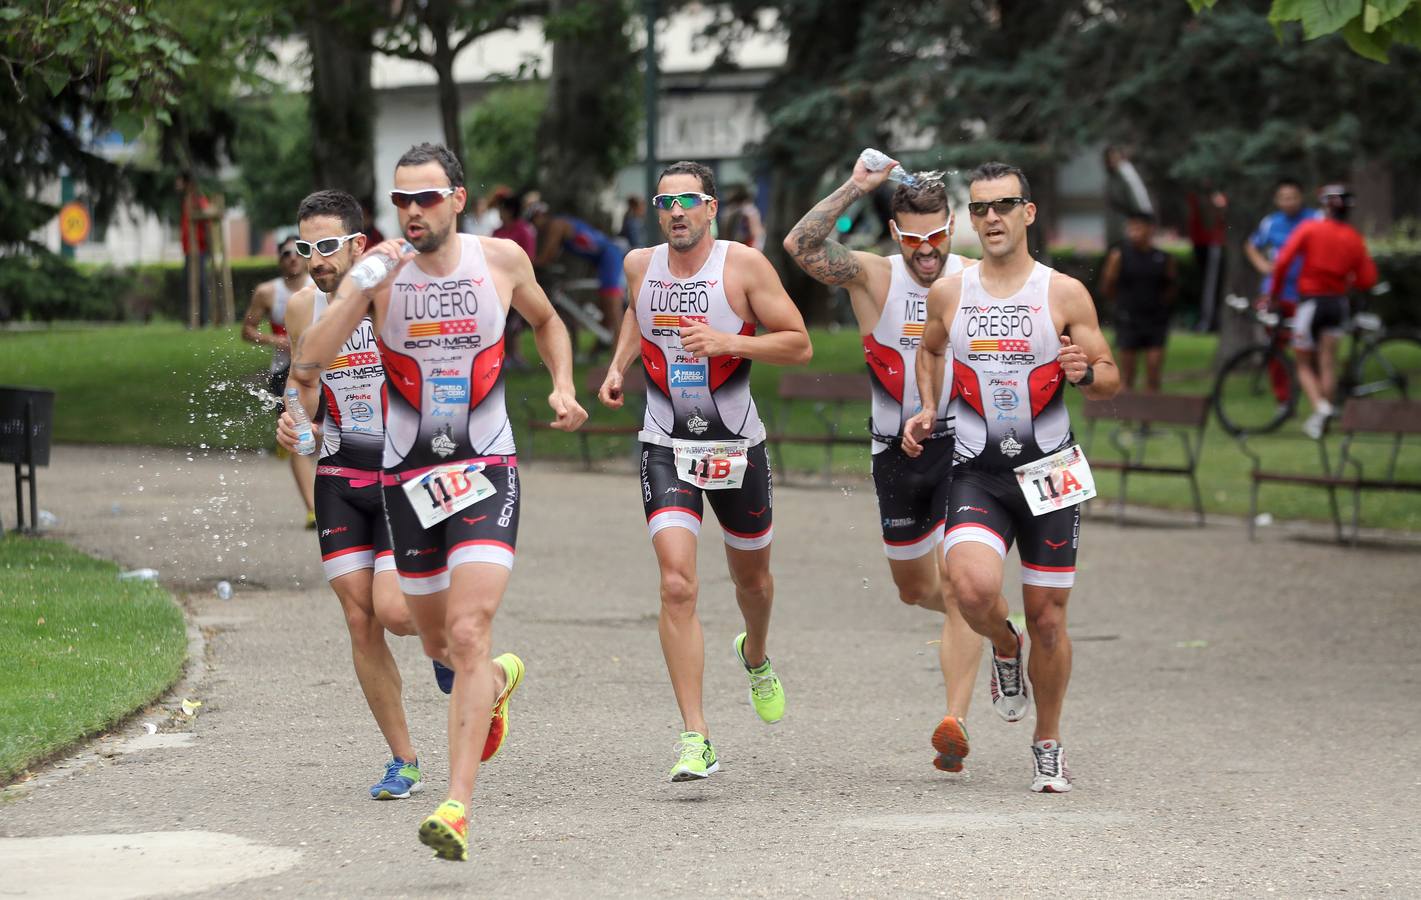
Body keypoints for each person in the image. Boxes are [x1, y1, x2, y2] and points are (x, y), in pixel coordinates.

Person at [291, 142, 587, 861]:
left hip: (486, 464)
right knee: (428, 639)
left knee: (467, 628)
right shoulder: (379, 277)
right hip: (408, 475)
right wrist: (358, 282)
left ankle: (456, 806)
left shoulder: (501, 263)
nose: (413, 211)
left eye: (426, 197)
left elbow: (547, 322)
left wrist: (562, 386)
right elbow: (309, 361)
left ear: (458, 198)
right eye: (401, 200)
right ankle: (498, 682)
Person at [903, 161, 1121, 794]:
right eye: (980, 208)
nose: (992, 218)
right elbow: (931, 348)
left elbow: (1109, 376)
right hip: (977, 468)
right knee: (969, 590)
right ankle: (1004, 647)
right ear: (970, 220)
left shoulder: (1064, 294)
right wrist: (926, 407)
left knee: (1049, 620)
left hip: (1050, 467)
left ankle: (1047, 743)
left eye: (1004, 205)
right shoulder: (951, 291)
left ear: (1029, 213)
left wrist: (1084, 373)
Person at [597, 160, 812, 783]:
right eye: (666, 203)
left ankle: (756, 654)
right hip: (665, 441)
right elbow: (640, 313)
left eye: (689, 201)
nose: (677, 212)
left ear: (711, 207)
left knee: (754, 582)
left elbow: (797, 341)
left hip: (737, 444)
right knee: (677, 584)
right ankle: (697, 737)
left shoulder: (742, 266)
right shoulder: (641, 265)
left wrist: (732, 344)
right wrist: (619, 366)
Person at [782, 152, 986, 774]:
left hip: (963, 444)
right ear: (898, 234)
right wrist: (856, 185)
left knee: (958, 586)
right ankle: (996, 627)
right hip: (895, 452)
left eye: (938, 235)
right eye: (914, 238)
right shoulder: (874, 277)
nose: (928, 251)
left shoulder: (978, 278)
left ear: (951, 227)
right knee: (915, 590)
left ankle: (955, 723)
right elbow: (799, 244)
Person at [274, 189, 425, 801]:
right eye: (307, 247)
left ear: (359, 245)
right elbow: (299, 384)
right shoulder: (303, 308)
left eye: (329, 246)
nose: (317, 259)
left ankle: (450, 649)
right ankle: (404, 760)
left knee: (394, 610)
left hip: (401, 475)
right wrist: (294, 421)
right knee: (360, 619)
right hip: (339, 476)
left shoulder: (399, 298)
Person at [1269, 184, 1379, 439]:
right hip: (1338, 303)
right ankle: (1322, 422)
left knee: (1303, 363)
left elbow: (1283, 261)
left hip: (1311, 303)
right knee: (1327, 362)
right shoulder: (1353, 237)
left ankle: (1320, 409)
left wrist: (1273, 294)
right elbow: (1367, 278)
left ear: (1325, 206)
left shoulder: (1310, 228)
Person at [243, 234, 316, 527]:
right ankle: (313, 509)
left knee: (323, 435)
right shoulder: (267, 292)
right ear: (279, 259)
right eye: (286, 254)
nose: (293, 258)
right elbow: (246, 330)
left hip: (323, 372)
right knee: (300, 438)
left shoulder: (323, 287)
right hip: (285, 375)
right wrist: (275, 339)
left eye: (299, 252)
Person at [1245, 179, 1321, 409]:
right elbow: (1251, 245)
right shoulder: (1270, 223)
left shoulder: (1315, 219)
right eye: (1284, 197)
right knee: (1275, 346)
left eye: (1293, 197)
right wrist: (1263, 266)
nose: (1289, 202)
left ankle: (1318, 397)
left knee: (1310, 346)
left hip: (1306, 293)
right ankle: (1283, 399)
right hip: (1277, 294)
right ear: (1277, 200)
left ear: (1302, 197)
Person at [1099, 212, 1177, 393]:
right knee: (1127, 375)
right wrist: (1122, 304)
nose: (1133, 233)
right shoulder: (1119, 256)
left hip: (1155, 320)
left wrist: (1161, 306)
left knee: (1154, 371)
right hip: (1129, 319)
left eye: (1138, 228)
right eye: (1130, 228)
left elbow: (1171, 287)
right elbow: (1107, 286)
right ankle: (1125, 418)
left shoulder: (1163, 258)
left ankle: (1149, 418)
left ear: (1150, 230)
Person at [530, 204, 627, 347]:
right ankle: (599, 349)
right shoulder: (562, 222)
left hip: (609, 255)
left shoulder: (555, 225)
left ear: (539, 217)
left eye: (533, 222)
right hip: (600, 258)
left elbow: (547, 255)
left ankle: (619, 352)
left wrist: (528, 264)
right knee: (604, 305)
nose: (535, 228)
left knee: (612, 305)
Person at [493, 194, 537, 368]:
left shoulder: (523, 230)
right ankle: (504, 356)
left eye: (502, 209)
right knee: (501, 320)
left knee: (514, 322)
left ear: (510, 211)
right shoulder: (497, 232)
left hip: (518, 282)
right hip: (498, 282)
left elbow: (529, 257)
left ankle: (515, 355)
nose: (499, 213)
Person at [176, 172, 215, 325]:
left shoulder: (197, 199)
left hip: (198, 248)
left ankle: (203, 320)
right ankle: (192, 319)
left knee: (199, 284)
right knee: (189, 284)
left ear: (187, 183)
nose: (177, 185)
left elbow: (207, 214)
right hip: (189, 249)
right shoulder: (187, 200)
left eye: (179, 181)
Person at [1102, 146, 1152, 250]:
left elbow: (1139, 204)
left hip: (1127, 230)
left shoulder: (1127, 175)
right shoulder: (1111, 177)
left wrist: (1139, 225)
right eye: (1109, 158)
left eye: (1114, 157)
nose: (1112, 161)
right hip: (1115, 231)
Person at [723, 185, 766, 250]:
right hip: (744, 242)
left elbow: (755, 232)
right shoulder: (732, 211)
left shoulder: (749, 210)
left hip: (753, 242)